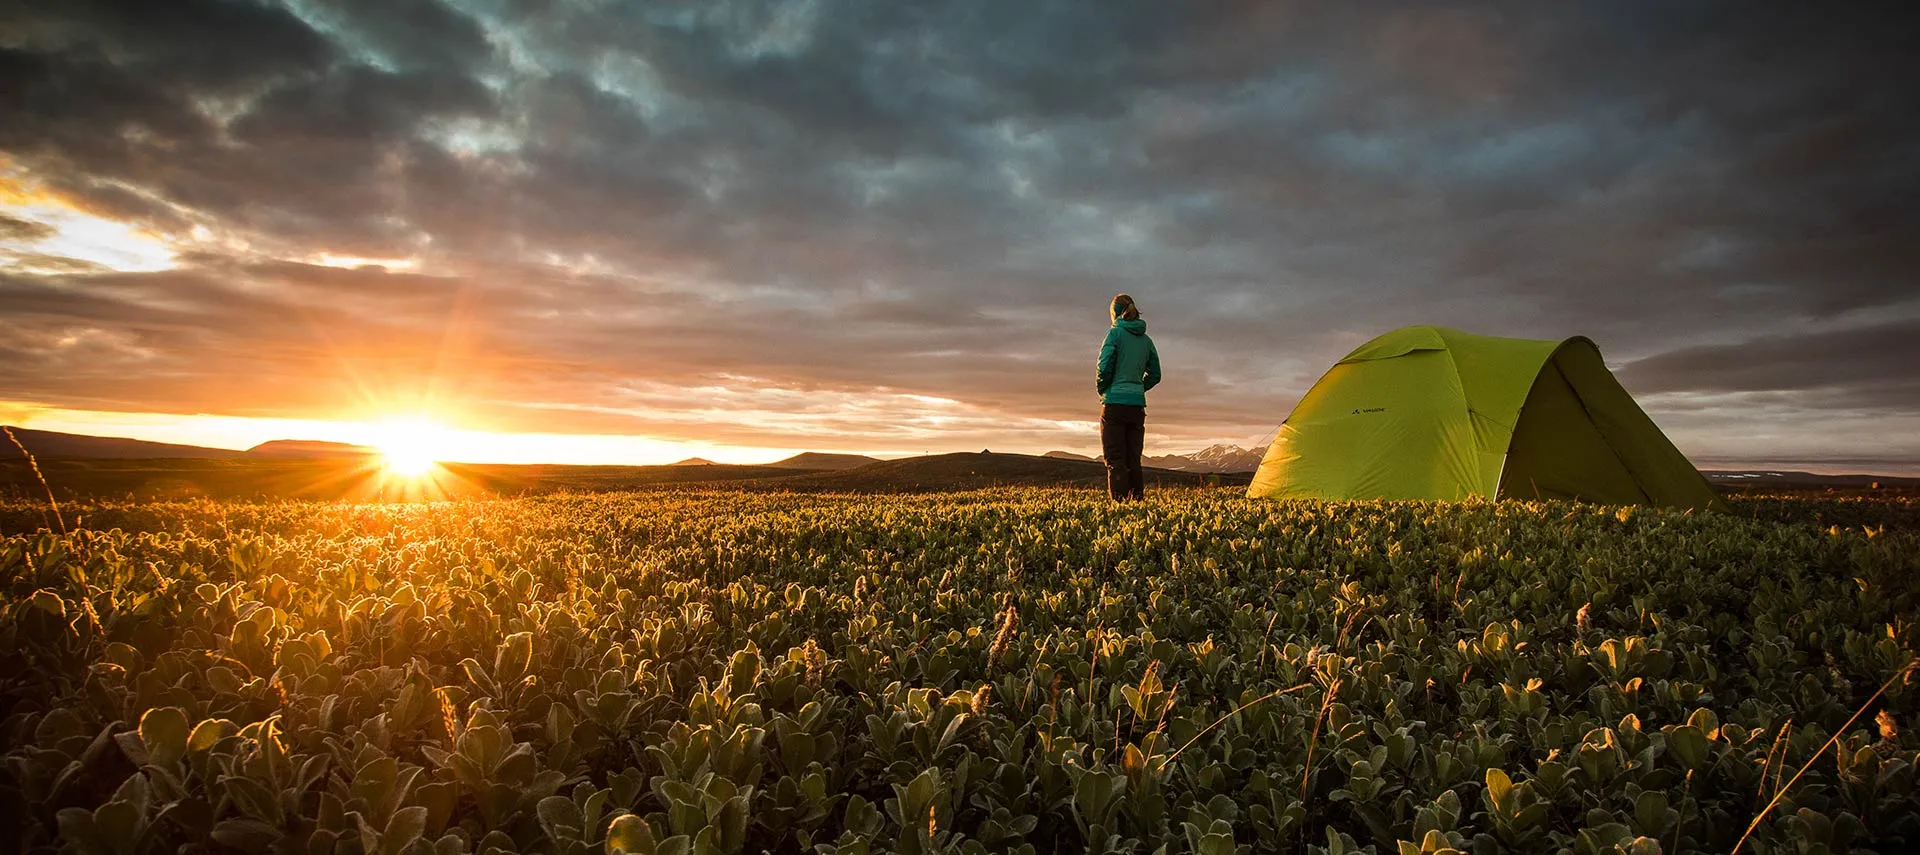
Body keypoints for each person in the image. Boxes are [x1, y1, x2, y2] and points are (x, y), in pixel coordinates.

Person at [1095, 293, 1161, 501]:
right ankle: (1137, 501)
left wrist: (1103, 389)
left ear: (1114, 314)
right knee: (1134, 458)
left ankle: (1120, 505)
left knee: (1116, 458)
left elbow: (1103, 367)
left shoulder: (1114, 335)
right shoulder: (1147, 340)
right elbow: (1156, 374)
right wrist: (1139, 388)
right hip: (1136, 406)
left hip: (1114, 403)